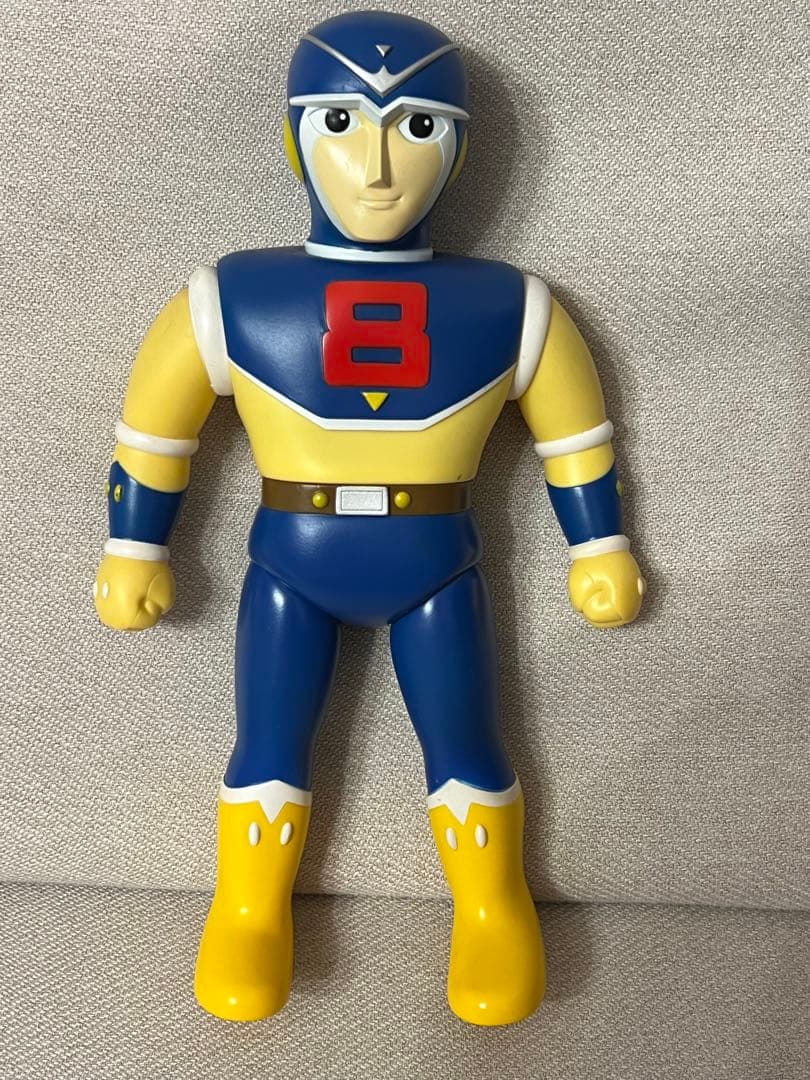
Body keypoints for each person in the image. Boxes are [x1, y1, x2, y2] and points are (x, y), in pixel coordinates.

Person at [94, 10, 645, 1026]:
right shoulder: (231, 297)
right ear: (293, 134)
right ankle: (248, 907)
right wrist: (134, 544)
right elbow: (153, 431)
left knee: (466, 734)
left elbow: (577, 437)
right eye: (344, 122)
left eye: (418, 126)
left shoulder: (514, 307)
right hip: (289, 564)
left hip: (435, 562)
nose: (379, 166)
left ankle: (491, 905)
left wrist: (599, 544)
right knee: (268, 736)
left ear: (460, 147)